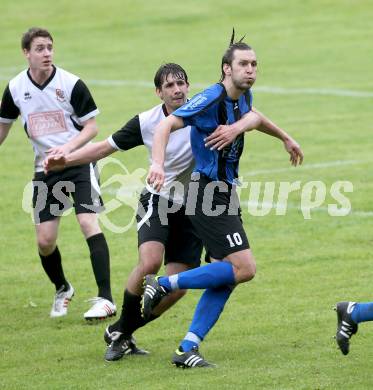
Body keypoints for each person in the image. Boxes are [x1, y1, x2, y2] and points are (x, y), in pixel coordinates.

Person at [143, 30, 304, 368]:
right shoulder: (210, 99)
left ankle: (187, 347)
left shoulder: (241, 97)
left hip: (225, 192)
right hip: (207, 193)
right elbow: (165, 126)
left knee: (224, 275)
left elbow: (254, 115)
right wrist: (157, 163)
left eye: (255, 64)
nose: (251, 70)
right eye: (244, 64)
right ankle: (165, 283)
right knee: (245, 268)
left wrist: (284, 137)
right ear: (226, 69)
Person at [44, 63, 206, 361]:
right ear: (159, 92)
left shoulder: (202, 114)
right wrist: (65, 159)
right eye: (169, 86)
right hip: (157, 201)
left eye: (181, 83)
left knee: (178, 287)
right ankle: (122, 334)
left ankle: (121, 331)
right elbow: (103, 148)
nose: (177, 89)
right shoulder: (146, 121)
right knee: (149, 263)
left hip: (194, 206)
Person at [0, 27, 115, 320]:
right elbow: (2, 129)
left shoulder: (71, 84)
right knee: (45, 241)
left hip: (78, 163)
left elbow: (92, 127)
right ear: (26, 53)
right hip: (45, 169)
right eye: (39, 48)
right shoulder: (14, 89)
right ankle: (63, 288)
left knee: (88, 222)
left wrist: (67, 150)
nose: (47, 53)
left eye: (50, 47)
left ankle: (106, 299)